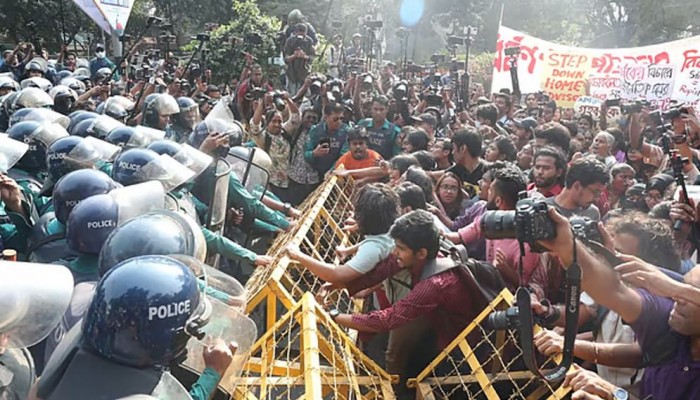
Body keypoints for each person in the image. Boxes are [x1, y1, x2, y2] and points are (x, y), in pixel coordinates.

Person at [536, 205, 700, 400]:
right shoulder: (669, 325)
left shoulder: (664, 297)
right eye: (680, 286)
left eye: (691, 294)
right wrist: (566, 245)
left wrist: (614, 394)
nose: (677, 299)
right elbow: (613, 291)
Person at [321, 210, 489, 371]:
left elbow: (388, 319)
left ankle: (398, 386)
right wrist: (337, 284)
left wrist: (334, 315)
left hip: (457, 342)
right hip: (436, 323)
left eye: (400, 248)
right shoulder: (418, 256)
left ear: (421, 253)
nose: (395, 252)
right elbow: (377, 273)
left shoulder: (435, 285)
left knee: (429, 372)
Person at [445, 165, 539, 287]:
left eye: (490, 190)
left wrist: (506, 271)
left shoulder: (527, 242)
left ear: (498, 201)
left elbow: (528, 287)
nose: (486, 193)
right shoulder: (488, 218)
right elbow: (459, 237)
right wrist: (439, 235)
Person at [249, 91, 301, 202]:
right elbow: (254, 125)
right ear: (267, 123)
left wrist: (288, 100)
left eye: (279, 121)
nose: (277, 124)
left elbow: (296, 118)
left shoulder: (285, 133)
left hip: (288, 182)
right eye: (274, 121)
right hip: (270, 183)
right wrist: (262, 103)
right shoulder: (263, 138)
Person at [305, 102, 349, 177]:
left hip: (336, 173)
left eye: (341, 118)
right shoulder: (315, 131)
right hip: (315, 175)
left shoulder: (346, 131)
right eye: (335, 119)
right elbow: (306, 154)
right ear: (326, 117)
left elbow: (344, 156)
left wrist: (332, 170)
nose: (339, 122)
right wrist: (314, 153)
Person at [356, 95, 401, 160]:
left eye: (381, 109)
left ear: (387, 109)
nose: (378, 113)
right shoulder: (363, 124)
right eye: (375, 109)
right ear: (371, 108)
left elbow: (396, 156)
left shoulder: (395, 131)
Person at [446, 127, 487, 197]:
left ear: (463, 148)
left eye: (454, 148)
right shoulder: (457, 170)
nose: (452, 153)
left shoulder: (488, 172)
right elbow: (438, 175)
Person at [283, 23, 315, 96]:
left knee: (305, 95)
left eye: (303, 32)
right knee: (292, 95)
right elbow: (286, 59)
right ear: (295, 32)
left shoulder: (309, 41)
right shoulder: (290, 41)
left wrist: (304, 56)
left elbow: (311, 58)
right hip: (292, 73)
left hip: (304, 72)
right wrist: (294, 56)